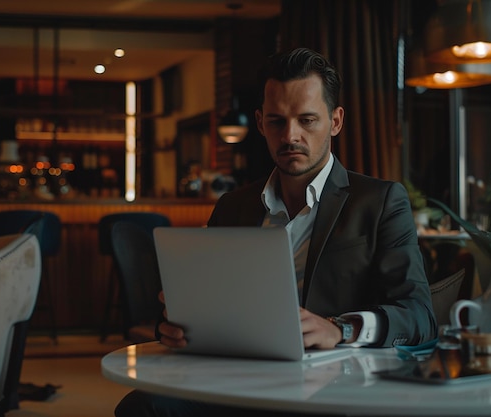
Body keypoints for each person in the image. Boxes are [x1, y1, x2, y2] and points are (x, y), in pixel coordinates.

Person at [115, 47, 437, 417]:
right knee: (142, 406)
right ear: (259, 123)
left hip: (331, 388)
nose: (290, 136)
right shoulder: (232, 207)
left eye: (307, 120)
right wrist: (175, 326)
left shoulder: (380, 201)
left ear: (335, 121)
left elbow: (420, 317)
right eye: (277, 121)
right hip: (238, 381)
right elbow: (207, 306)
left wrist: (340, 329)